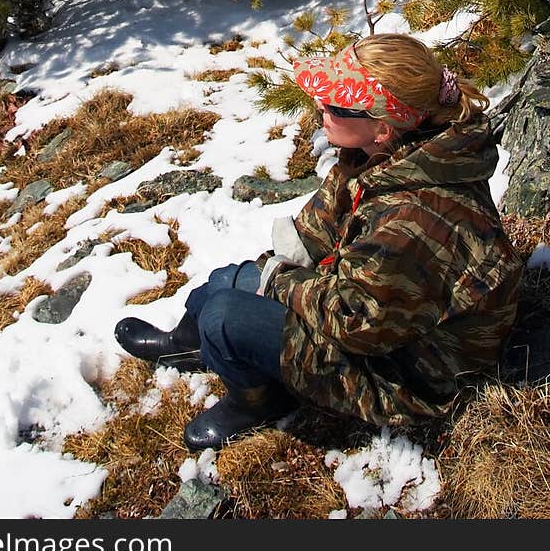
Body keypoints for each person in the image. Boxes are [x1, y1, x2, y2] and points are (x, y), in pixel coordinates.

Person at [114, 32, 523, 451]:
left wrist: (279, 283)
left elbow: (356, 323)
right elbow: (318, 229)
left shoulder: (412, 220)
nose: (320, 107)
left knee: (225, 316)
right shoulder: (387, 156)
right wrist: (275, 270)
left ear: (382, 126)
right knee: (225, 282)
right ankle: (188, 345)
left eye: (337, 103)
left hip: (406, 375)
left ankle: (256, 400)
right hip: (376, 313)